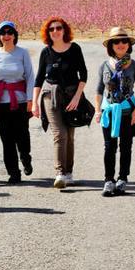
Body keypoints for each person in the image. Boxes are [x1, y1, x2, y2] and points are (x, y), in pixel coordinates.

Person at [32, 17, 88, 189]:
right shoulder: (46, 52)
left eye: (59, 28)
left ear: (64, 30)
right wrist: (34, 103)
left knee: (70, 135)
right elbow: (39, 78)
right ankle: (59, 173)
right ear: (48, 33)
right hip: (51, 95)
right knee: (59, 133)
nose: (55, 31)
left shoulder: (75, 49)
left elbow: (83, 74)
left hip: (72, 95)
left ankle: (69, 172)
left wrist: (78, 97)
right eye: (51, 29)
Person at [94, 27, 135, 197]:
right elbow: (99, 90)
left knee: (126, 147)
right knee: (109, 147)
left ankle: (122, 179)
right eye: (116, 42)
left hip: (127, 112)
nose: (121, 44)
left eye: (124, 41)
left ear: (128, 45)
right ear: (111, 45)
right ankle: (108, 180)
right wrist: (97, 110)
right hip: (109, 112)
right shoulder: (104, 66)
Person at [0, 21, 35, 184]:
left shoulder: (22, 53)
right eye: (3, 33)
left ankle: (25, 158)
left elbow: (30, 77)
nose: (6, 36)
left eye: (9, 33)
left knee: (22, 135)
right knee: (7, 138)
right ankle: (13, 172)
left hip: (20, 101)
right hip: (1, 102)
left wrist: (30, 100)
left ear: (14, 35)